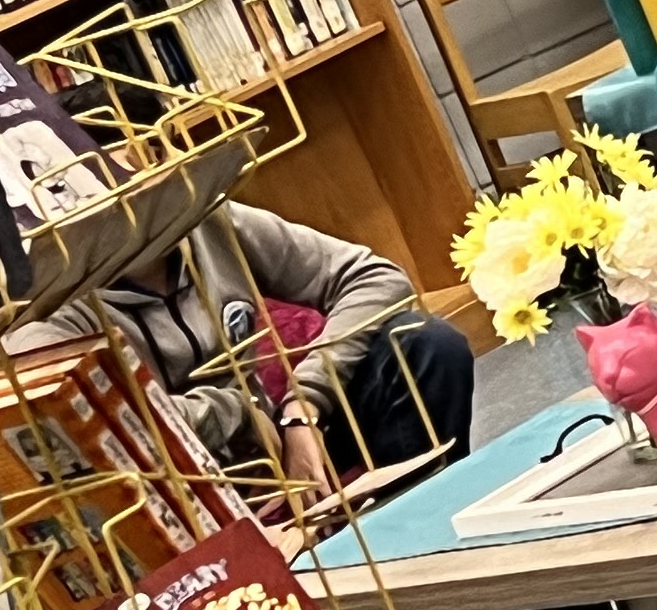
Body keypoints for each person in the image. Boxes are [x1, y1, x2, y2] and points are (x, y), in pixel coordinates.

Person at [87, 203, 476, 488]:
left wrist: (303, 402)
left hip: (280, 433)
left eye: (157, 155)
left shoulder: (210, 221)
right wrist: (240, 413)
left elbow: (377, 278)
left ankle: (424, 521)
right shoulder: (53, 309)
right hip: (184, 481)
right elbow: (110, 423)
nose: (154, 181)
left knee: (425, 344)